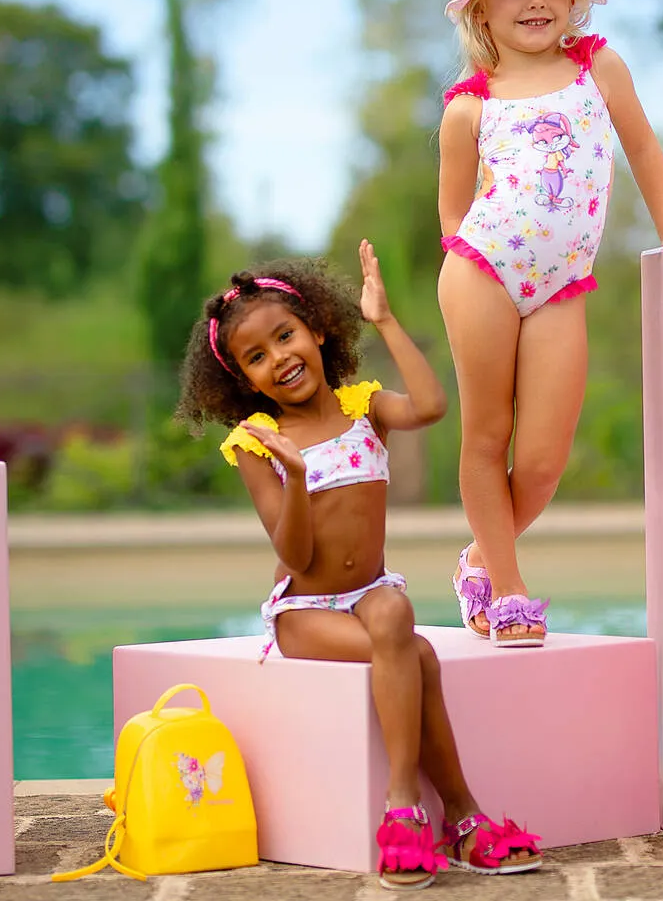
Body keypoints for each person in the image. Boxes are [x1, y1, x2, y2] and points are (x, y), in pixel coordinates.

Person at [175, 240, 541, 890]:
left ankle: (430, 815)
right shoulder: (257, 445)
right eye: (255, 358)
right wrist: (292, 476)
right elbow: (295, 557)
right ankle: (442, 812)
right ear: (242, 379)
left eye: (285, 336)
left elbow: (430, 407)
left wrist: (386, 321)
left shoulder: (361, 406)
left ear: (316, 330)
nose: (278, 359)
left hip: (372, 594)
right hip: (307, 613)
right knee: (418, 654)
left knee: (394, 610)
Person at [438, 0, 663, 649]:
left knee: (539, 460)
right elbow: (454, 212)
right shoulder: (470, 105)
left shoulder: (600, 67)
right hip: (483, 271)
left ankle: (477, 556)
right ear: (481, 9)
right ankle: (509, 589)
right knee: (487, 433)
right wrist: (473, 270)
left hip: (564, 281)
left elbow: (643, 147)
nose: (535, 0)